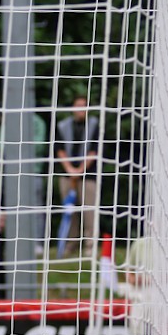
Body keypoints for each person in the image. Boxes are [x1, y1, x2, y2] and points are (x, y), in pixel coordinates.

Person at [54, 96, 100, 257]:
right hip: (66, 175)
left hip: (88, 176)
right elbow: (59, 149)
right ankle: (70, 243)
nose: (81, 109)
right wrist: (69, 170)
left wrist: (80, 170)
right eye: (78, 105)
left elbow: (94, 151)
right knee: (69, 210)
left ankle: (90, 245)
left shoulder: (95, 125)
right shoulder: (63, 126)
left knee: (89, 210)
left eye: (84, 106)